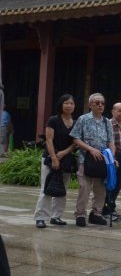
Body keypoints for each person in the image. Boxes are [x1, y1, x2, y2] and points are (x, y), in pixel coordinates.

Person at [70, 93, 115, 227]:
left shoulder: (107, 122)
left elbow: (111, 141)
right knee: (84, 187)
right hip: (86, 159)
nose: (100, 105)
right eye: (97, 103)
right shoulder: (83, 119)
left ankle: (96, 214)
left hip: (102, 160)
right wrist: (90, 149)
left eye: (102, 103)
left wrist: (111, 158)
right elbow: (75, 138)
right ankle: (80, 214)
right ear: (90, 105)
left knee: (101, 189)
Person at [34, 94, 76, 228]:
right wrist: (54, 158)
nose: (69, 106)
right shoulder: (53, 120)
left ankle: (56, 216)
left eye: (71, 103)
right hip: (50, 158)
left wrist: (63, 153)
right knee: (46, 188)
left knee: (62, 189)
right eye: (66, 103)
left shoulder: (75, 123)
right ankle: (41, 217)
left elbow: (75, 143)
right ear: (61, 105)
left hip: (66, 159)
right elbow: (48, 140)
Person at [104, 102, 121, 218]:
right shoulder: (108, 124)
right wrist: (111, 157)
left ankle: (112, 208)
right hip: (111, 157)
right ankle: (105, 209)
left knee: (117, 185)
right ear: (113, 112)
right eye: (119, 111)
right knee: (110, 184)